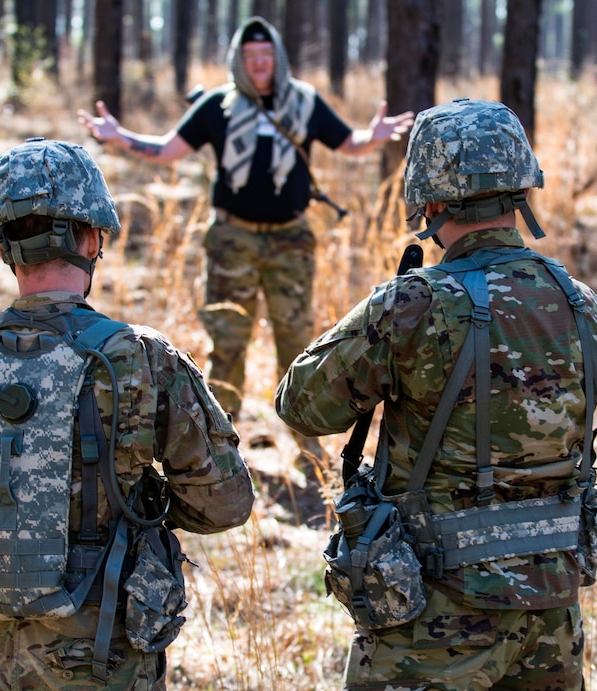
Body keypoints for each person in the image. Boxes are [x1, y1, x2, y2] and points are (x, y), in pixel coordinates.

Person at [275, 99, 597, 691]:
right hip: (551, 620)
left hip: (433, 623)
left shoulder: (416, 306)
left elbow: (301, 403)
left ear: (428, 204)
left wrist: (384, 315)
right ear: (519, 190)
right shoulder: (578, 302)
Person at [0, 138, 254, 691]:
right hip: (100, 663)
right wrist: (142, 506)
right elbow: (225, 503)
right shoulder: (141, 358)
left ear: (2, 247)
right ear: (93, 238)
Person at [77, 16, 413, 469]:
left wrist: (370, 138)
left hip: (290, 240)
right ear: (239, 60)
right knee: (228, 340)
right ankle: (220, 449)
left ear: (278, 58)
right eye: (250, 58)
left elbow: (345, 141)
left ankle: (305, 446)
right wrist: (121, 138)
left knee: (296, 340)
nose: (259, 65)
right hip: (231, 240)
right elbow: (168, 148)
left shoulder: (304, 101)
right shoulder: (218, 106)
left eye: (266, 56)